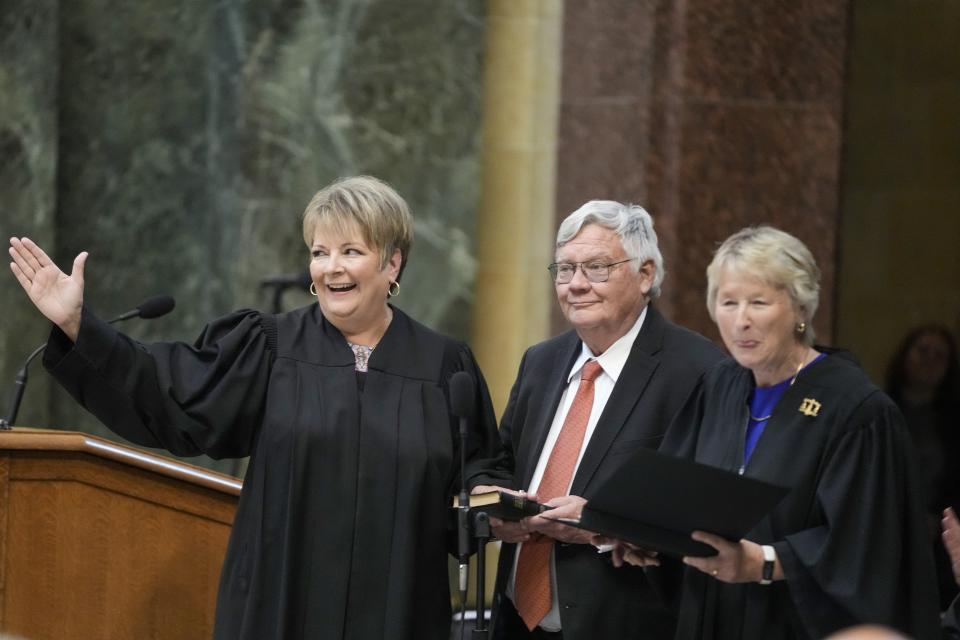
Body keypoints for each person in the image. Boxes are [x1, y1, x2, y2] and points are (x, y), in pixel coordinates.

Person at [7, 176, 500, 640]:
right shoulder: (271, 348)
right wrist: (79, 327)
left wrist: (486, 493)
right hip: (280, 609)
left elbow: (477, 466)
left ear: (392, 263)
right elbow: (171, 391)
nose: (332, 267)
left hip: (401, 614)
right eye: (320, 252)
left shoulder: (442, 366)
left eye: (351, 251)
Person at [622, 225, 939, 639]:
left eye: (759, 302)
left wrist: (763, 562)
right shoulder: (718, 387)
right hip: (710, 615)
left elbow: (867, 546)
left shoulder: (857, 410)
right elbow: (674, 490)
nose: (741, 321)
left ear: (801, 309)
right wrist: (644, 535)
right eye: (728, 302)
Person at [470, 200, 724, 639]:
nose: (576, 285)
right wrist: (491, 503)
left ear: (645, 275)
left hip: (625, 623)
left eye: (597, 268)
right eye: (565, 270)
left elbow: (706, 503)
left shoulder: (697, 370)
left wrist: (600, 524)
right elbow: (501, 460)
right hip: (516, 621)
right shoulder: (541, 361)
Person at [886, 325, 960, 608]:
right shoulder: (878, 408)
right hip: (886, 532)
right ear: (905, 355)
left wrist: (934, 518)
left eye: (939, 355)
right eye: (923, 351)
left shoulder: (955, 420)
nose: (929, 360)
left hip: (940, 539)